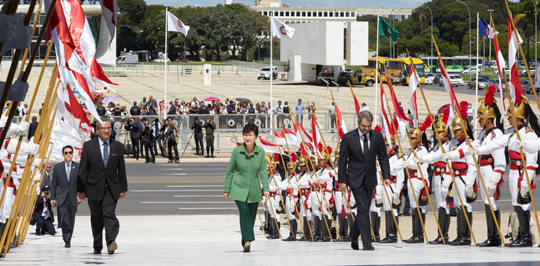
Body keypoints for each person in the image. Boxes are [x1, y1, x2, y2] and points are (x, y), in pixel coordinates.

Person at [338, 111, 390, 251]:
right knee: (363, 209)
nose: (366, 129)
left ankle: (353, 236)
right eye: (363, 126)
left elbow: (383, 157)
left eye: (368, 126)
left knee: (363, 210)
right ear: (358, 123)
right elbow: (342, 161)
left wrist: (386, 176)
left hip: (370, 178)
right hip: (355, 179)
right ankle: (367, 241)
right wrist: (342, 181)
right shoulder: (348, 138)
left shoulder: (377, 136)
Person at [77, 118, 128, 255]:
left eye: (109, 128)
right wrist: (81, 191)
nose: (106, 131)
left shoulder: (117, 146)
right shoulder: (88, 146)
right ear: (97, 130)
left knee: (109, 214)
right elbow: (83, 170)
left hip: (111, 187)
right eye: (103, 128)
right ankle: (97, 245)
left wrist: (123, 188)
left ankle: (111, 241)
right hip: (93, 187)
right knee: (96, 217)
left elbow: (121, 169)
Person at [223, 123, 270, 252]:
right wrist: (227, 188)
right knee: (244, 211)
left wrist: (266, 188)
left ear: (256, 137)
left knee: (251, 215)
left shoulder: (260, 153)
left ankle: (245, 241)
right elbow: (230, 171)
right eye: (245, 135)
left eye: (250, 135)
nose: (247, 138)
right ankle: (248, 240)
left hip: (254, 190)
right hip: (238, 188)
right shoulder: (237, 152)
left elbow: (264, 172)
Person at [51, 145, 81, 248]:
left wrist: (81, 194)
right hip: (61, 197)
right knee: (63, 217)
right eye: (66, 153)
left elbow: (81, 182)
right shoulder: (58, 167)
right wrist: (52, 198)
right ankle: (66, 236)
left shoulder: (77, 167)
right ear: (63, 155)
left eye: (70, 153)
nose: (68, 154)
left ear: (72, 154)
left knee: (71, 219)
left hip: (73, 197)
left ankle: (68, 238)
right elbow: (54, 184)